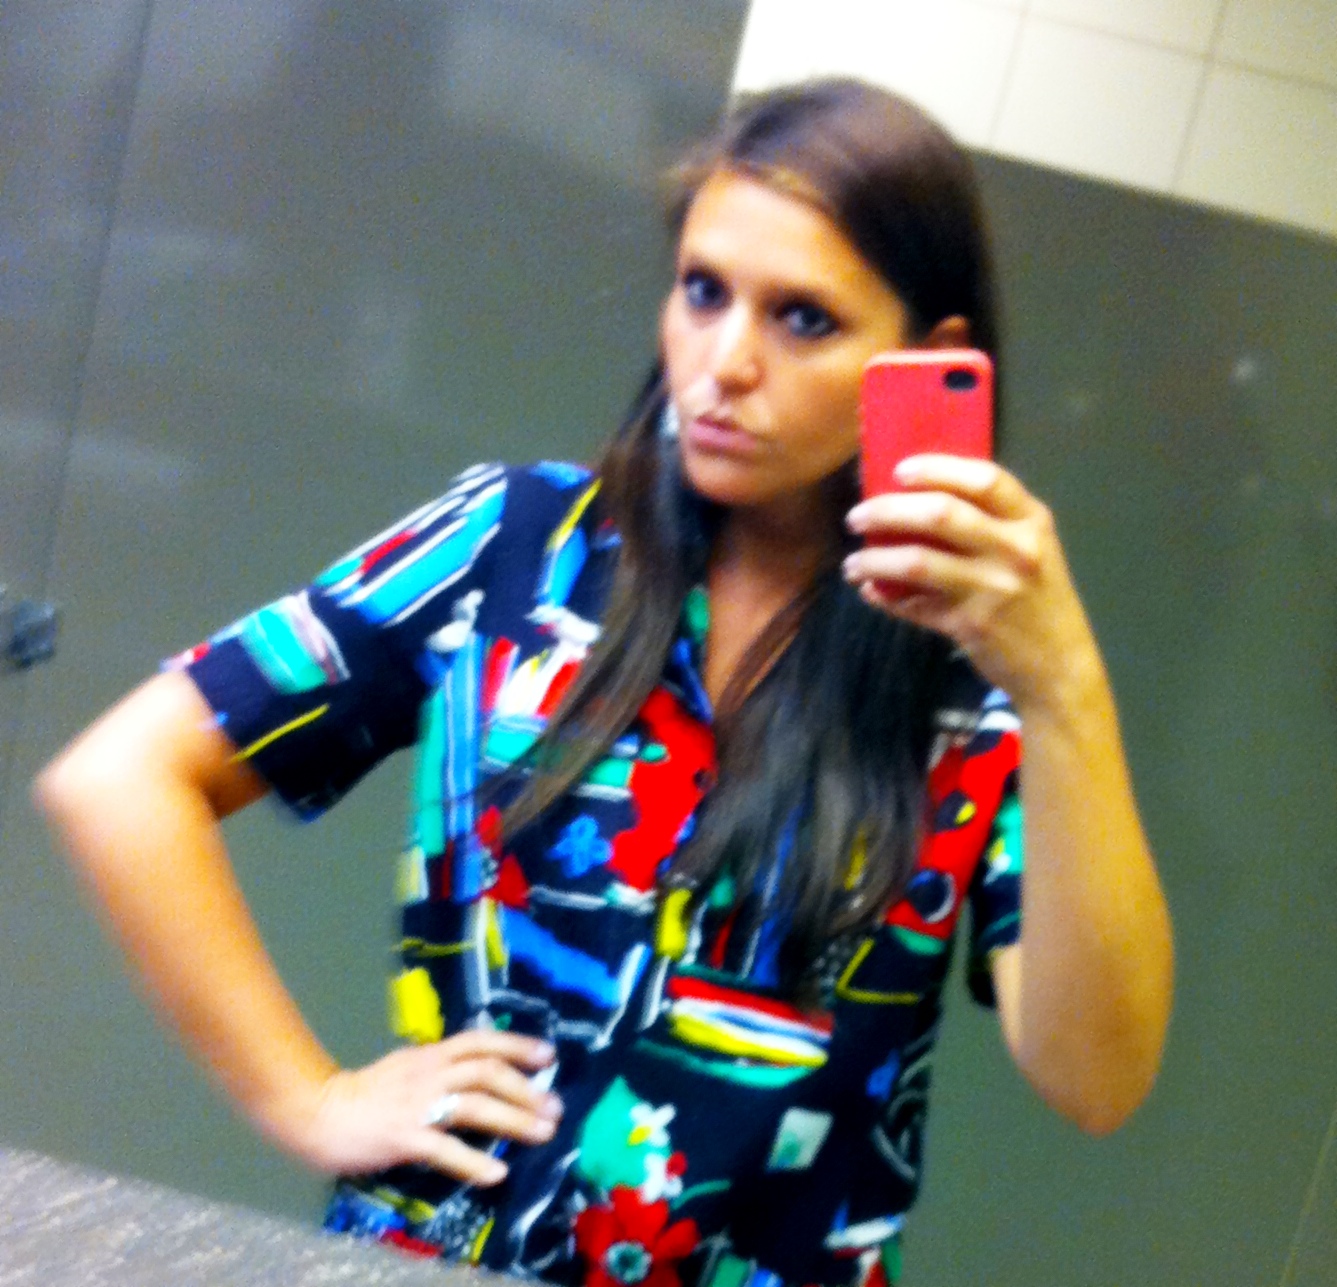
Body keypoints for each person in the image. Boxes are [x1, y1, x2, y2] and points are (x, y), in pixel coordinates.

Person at [35, 79, 1172, 1286]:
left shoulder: (974, 676)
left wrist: (1062, 688)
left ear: (926, 362)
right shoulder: (513, 546)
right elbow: (119, 781)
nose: (724, 363)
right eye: (703, 291)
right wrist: (308, 1098)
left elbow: (1094, 1078)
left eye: (802, 319)